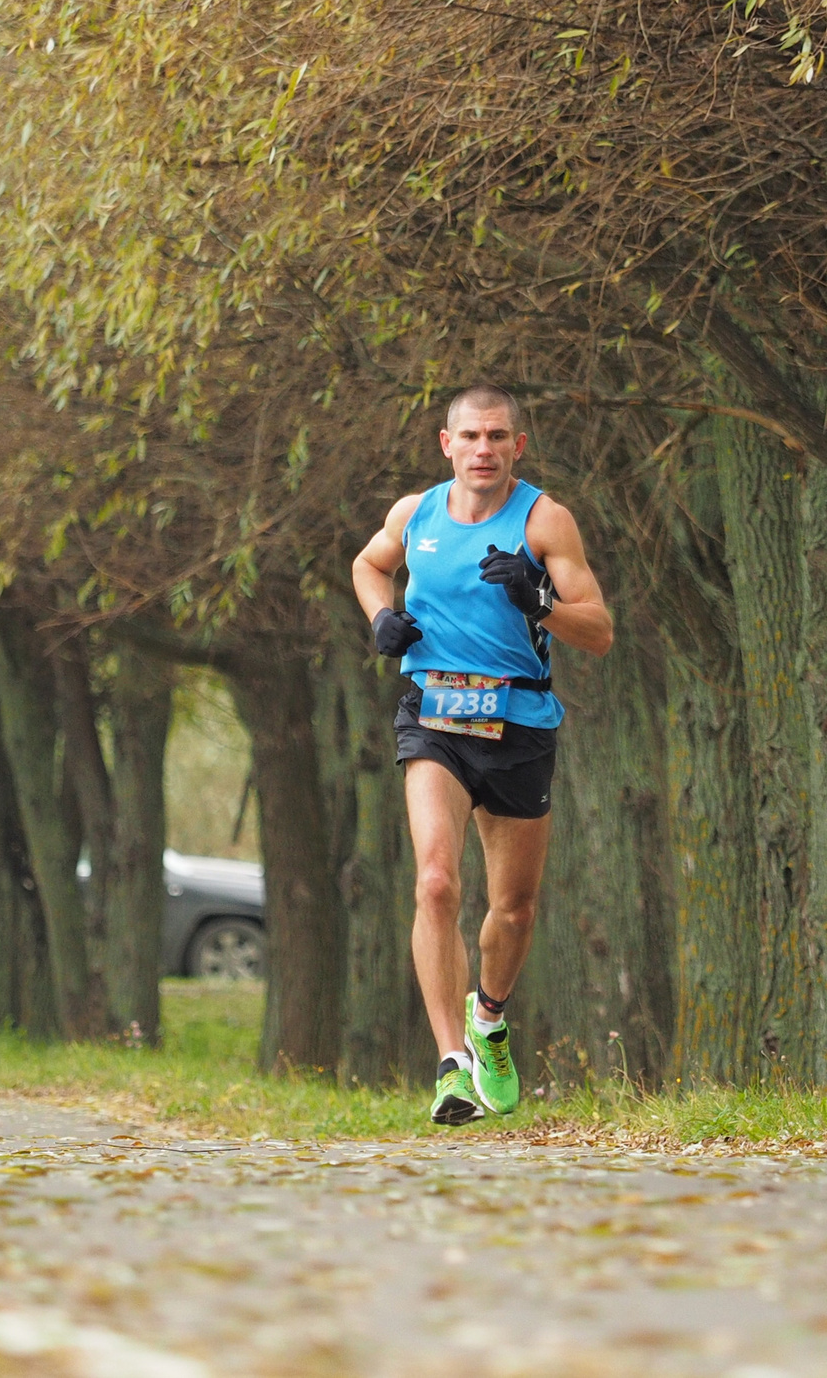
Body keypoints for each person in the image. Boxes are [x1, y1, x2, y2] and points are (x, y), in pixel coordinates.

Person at [352, 384, 614, 1124]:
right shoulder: (415, 514)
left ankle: (489, 1019)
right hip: (432, 712)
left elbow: (598, 630)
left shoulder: (544, 519)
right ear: (446, 443)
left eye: (498, 436)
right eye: (470, 436)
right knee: (435, 881)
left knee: (514, 908)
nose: (484, 449)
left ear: (518, 447)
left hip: (518, 720)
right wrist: (381, 619)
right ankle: (452, 1065)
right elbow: (368, 565)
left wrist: (540, 602)